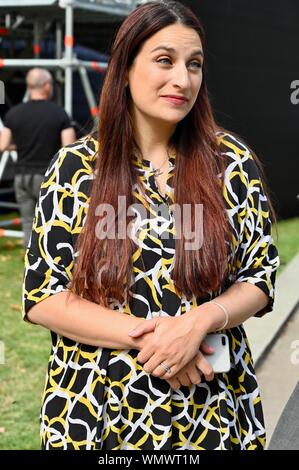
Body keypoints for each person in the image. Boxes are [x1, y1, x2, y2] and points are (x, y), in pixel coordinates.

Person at [22, 1, 280, 450]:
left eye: (194, 64)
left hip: (210, 411)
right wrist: (162, 342)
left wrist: (198, 323)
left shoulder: (230, 163)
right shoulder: (76, 168)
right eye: (165, 60)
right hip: (95, 410)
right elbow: (43, 295)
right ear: (125, 68)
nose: (183, 79)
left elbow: (259, 276)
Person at [0, 68, 76, 247]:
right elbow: (69, 147)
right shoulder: (59, 114)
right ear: (47, 86)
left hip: (21, 177)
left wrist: (24, 145)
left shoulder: (13, 114)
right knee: (51, 222)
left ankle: (30, 261)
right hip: (47, 176)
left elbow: (3, 145)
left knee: (28, 223)